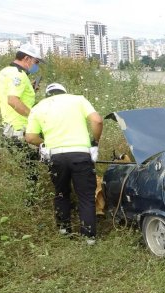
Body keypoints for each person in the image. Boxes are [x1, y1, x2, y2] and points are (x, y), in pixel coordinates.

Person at [25, 83, 103, 244]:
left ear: (48, 95)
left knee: (61, 193)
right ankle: (89, 237)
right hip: (80, 154)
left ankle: (64, 230)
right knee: (86, 196)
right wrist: (94, 142)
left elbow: (30, 137)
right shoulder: (78, 100)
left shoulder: (38, 107)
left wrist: (45, 144)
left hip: (56, 157)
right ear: (64, 92)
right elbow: (97, 120)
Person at [0, 43, 43, 204]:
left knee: (28, 167)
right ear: (27, 58)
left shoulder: (4, 72)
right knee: (32, 170)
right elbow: (13, 100)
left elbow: (11, 95)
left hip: (7, 128)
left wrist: (31, 90)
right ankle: (30, 204)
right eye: (36, 62)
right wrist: (34, 116)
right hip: (20, 130)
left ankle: (30, 202)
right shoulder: (20, 75)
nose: (36, 66)